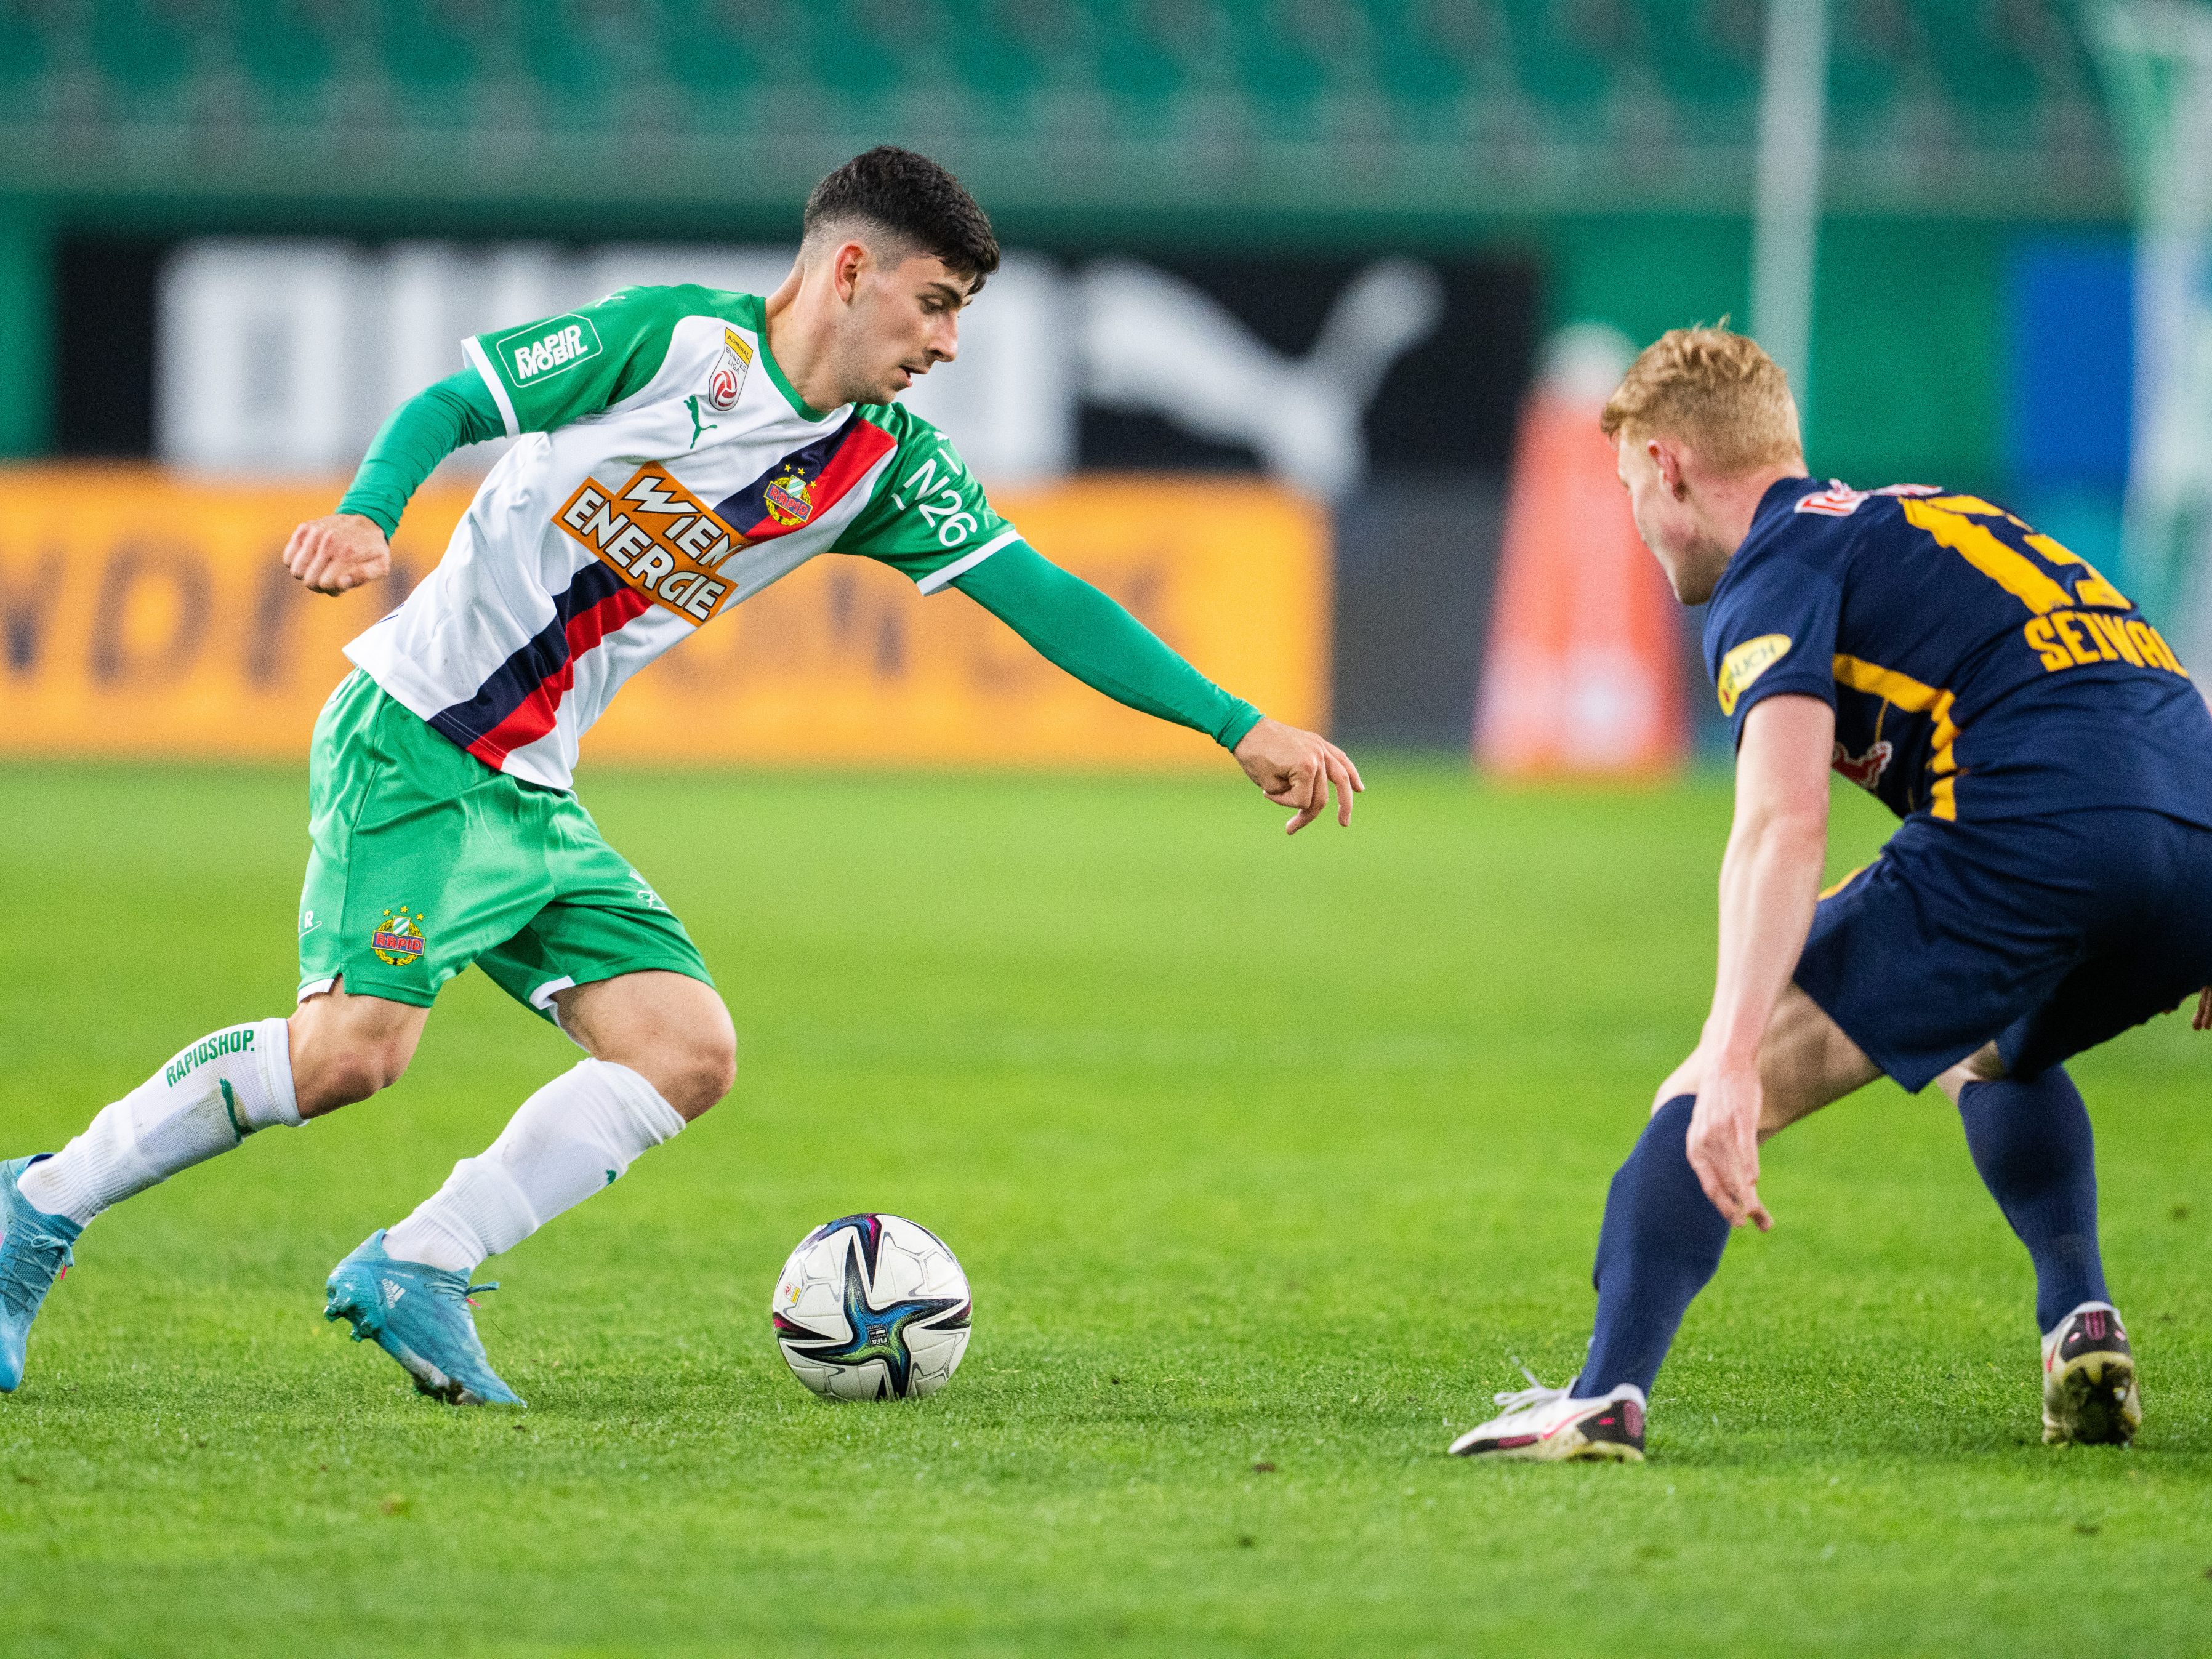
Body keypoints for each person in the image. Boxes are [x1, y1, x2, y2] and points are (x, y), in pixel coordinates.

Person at [0, 147, 1361, 1407]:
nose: (948, 341)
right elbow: (456, 400)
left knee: (685, 1049)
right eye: (934, 303)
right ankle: (39, 1208)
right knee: (355, 1056)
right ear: (848, 272)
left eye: (961, 316)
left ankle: (418, 1263)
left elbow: (1046, 598)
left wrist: (1237, 723)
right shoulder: (671, 340)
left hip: (529, 784)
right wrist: (371, 508)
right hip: (413, 734)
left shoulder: (882, 466)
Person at [1450, 325, 2208, 1461]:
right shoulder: (1939, 519)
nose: (1638, 527)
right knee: (1992, 1044)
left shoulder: (1773, 571)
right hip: (2193, 843)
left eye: (1627, 490)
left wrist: (1731, 1048)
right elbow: (2134, 677)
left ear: (1667, 466)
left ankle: (1603, 1394)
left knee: (1713, 1085)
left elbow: (1779, 822)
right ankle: (2077, 1316)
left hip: (2035, 834)